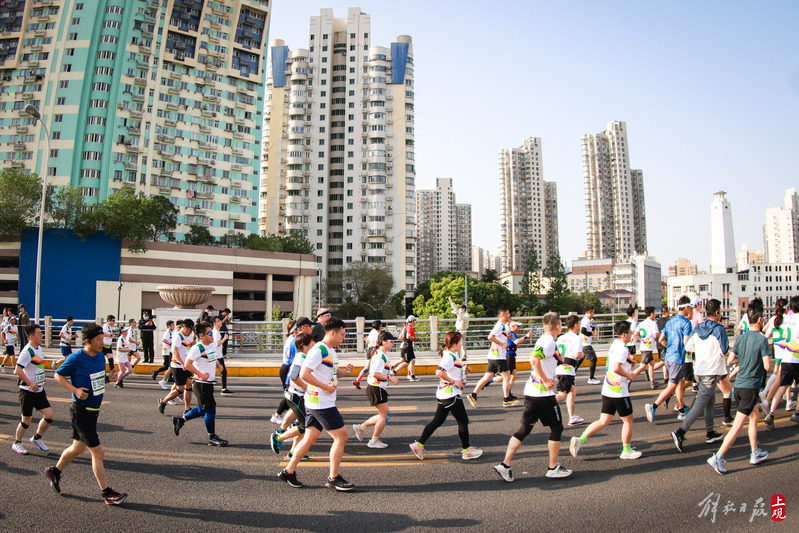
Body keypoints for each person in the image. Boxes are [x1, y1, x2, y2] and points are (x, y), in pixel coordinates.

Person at [46, 322, 127, 504]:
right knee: (97, 452)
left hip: (93, 411)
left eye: (103, 339)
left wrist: (108, 379)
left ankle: (55, 471)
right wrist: (74, 390)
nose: (102, 343)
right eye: (99, 340)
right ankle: (107, 493)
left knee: (78, 447)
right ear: (88, 341)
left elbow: (96, 381)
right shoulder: (76, 358)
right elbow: (57, 375)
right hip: (81, 411)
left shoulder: (99, 357)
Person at [278, 317, 355, 491]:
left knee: (309, 438)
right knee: (341, 437)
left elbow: (331, 375)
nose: (344, 338)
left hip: (316, 401)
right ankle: (333, 477)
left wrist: (345, 372)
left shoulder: (331, 351)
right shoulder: (319, 350)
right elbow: (304, 374)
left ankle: (288, 471)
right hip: (321, 402)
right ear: (333, 333)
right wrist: (326, 388)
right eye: (342, 334)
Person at [494, 312, 572, 482]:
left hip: (532, 392)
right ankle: (553, 468)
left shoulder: (545, 340)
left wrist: (559, 359)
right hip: (542, 394)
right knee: (557, 428)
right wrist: (546, 380)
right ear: (558, 326)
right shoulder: (549, 341)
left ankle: (505, 465)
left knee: (524, 429)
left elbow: (544, 358)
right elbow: (534, 359)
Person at [569, 320, 647, 461]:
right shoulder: (623, 348)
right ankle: (626, 450)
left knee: (604, 420)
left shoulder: (615, 345)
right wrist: (630, 375)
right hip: (619, 391)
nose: (631, 335)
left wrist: (630, 363)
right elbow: (616, 367)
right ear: (624, 334)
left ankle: (580, 440)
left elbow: (616, 363)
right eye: (630, 333)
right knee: (628, 420)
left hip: (608, 389)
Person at [707, 306, 771, 474]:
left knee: (755, 417)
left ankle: (755, 451)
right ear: (759, 320)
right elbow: (767, 365)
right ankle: (718, 457)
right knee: (737, 426)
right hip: (751, 387)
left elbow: (730, 360)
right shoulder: (762, 340)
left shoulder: (741, 339)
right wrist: (756, 361)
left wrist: (744, 362)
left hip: (740, 386)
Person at [409, 331, 482, 461]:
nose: (461, 344)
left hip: (445, 394)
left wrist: (465, 369)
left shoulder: (452, 354)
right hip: (451, 394)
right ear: (454, 344)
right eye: (460, 342)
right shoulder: (449, 356)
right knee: (463, 421)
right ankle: (467, 451)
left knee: (437, 421)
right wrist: (454, 382)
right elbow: (439, 372)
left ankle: (418, 445)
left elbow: (454, 368)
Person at [670, 299, 728, 452]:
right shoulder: (719, 329)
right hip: (712, 371)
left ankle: (710, 433)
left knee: (709, 401)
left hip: (700, 371)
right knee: (701, 403)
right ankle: (680, 432)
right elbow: (724, 351)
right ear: (717, 312)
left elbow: (689, 347)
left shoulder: (697, 328)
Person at [171, 321, 228, 446]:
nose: (212, 335)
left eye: (211, 333)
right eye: (209, 333)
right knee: (210, 409)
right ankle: (212, 438)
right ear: (201, 335)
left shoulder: (211, 345)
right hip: (201, 384)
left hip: (209, 383)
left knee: (203, 410)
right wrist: (201, 374)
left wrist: (218, 365)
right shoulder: (197, 348)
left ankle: (180, 420)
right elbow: (187, 364)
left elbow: (214, 358)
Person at [645, 296, 694, 423]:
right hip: (677, 358)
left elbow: (661, 339)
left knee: (681, 381)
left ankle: (681, 409)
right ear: (687, 308)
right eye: (691, 309)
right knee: (672, 386)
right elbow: (686, 342)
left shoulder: (670, 322)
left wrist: (671, 347)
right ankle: (653, 406)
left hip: (669, 357)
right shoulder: (686, 323)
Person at [270, 332, 315, 458]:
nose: (314, 344)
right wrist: (307, 388)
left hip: (301, 396)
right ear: (304, 346)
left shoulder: (306, 356)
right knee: (305, 425)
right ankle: (278, 438)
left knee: (300, 423)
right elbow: (293, 376)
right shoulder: (301, 358)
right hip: (296, 396)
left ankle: (294, 452)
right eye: (312, 342)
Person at [353, 331, 400, 448]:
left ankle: (361, 427)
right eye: (391, 341)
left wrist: (390, 373)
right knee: (384, 416)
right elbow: (374, 373)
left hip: (377, 388)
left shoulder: (381, 354)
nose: (393, 344)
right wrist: (390, 378)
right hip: (376, 387)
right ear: (384, 342)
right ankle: (373, 441)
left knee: (384, 415)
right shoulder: (379, 356)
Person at [12, 324, 53, 455]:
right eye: (39, 334)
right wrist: (30, 383)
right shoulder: (27, 352)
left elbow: (37, 367)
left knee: (49, 416)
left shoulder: (38, 348)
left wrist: (41, 379)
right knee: (26, 420)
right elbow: (18, 369)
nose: (41, 336)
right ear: (31, 337)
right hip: (27, 391)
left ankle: (37, 438)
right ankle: (17, 443)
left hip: (39, 389)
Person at [467, 309, 518, 407]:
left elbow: (500, 337)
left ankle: (473, 395)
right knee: (507, 377)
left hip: (493, 356)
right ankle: (506, 399)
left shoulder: (503, 326)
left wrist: (508, 338)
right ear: (503, 315)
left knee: (487, 377)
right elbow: (490, 337)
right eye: (508, 314)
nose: (510, 315)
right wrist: (502, 344)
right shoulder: (499, 325)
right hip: (498, 357)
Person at [764, 296, 799, 428]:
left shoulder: (787, 319)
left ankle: (771, 414)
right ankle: (797, 413)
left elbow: (784, 336)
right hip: (797, 357)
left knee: (783, 386)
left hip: (786, 358)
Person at [158, 319, 195, 414]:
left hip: (185, 365)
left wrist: (195, 337)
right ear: (185, 328)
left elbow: (191, 345)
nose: (191, 332)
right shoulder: (178, 336)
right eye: (190, 330)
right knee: (180, 389)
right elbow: (175, 350)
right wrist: (182, 363)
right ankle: (163, 402)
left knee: (189, 385)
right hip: (178, 366)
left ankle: (187, 409)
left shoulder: (185, 337)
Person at [556, 314, 585, 426]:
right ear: (576, 325)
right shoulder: (577, 338)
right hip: (567, 369)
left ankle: (572, 417)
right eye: (579, 324)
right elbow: (577, 354)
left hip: (560, 367)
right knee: (562, 395)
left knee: (572, 391)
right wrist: (582, 354)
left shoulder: (561, 337)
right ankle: (543, 405)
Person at [271, 320, 298, 424]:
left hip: (287, 367)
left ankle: (289, 417)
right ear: (294, 330)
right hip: (287, 368)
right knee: (290, 395)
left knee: (291, 395)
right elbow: (289, 355)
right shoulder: (292, 340)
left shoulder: (292, 339)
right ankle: (277, 415)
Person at [634, 307, 664, 390]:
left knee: (652, 364)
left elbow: (635, 333)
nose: (655, 315)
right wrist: (661, 334)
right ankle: (629, 378)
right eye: (654, 313)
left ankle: (653, 382)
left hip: (644, 346)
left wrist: (642, 340)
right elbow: (655, 335)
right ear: (651, 314)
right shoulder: (653, 323)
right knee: (642, 367)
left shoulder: (642, 323)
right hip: (648, 348)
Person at [506, 321, 532, 399]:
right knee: (506, 376)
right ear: (513, 326)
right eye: (518, 326)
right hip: (509, 355)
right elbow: (516, 342)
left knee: (513, 375)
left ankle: (509, 392)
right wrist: (526, 336)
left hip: (512, 355)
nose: (519, 328)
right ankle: (490, 381)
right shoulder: (512, 334)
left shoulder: (513, 334)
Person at [353, 320, 382, 389]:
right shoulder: (376, 333)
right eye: (381, 326)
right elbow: (376, 343)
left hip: (369, 349)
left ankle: (360, 380)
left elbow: (367, 340)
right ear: (378, 326)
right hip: (373, 350)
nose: (381, 327)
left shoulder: (372, 332)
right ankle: (358, 380)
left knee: (371, 367)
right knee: (369, 367)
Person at [392, 315, 420, 381]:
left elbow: (401, 337)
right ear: (412, 321)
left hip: (406, 345)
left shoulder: (406, 327)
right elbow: (408, 336)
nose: (415, 322)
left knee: (412, 360)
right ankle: (393, 372)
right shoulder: (410, 327)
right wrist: (415, 338)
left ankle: (412, 376)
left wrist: (406, 340)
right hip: (407, 346)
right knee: (406, 362)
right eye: (415, 320)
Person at [579, 306, 600, 384]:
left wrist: (592, 329)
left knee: (580, 360)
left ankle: (571, 375)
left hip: (584, 343)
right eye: (592, 312)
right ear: (589, 312)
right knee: (594, 359)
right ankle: (591, 378)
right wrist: (590, 334)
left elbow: (588, 328)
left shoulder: (587, 320)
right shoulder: (586, 320)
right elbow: (583, 330)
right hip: (586, 344)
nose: (593, 314)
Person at [212, 316, 232, 394]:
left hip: (217, 355)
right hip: (217, 356)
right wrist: (225, 338)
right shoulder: (216, 332)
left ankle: (223, 388)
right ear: (214, 324)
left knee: (218, 371)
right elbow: (217, 343)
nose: (220, 321)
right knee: (223, 372)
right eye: (218, 321)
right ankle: (223, 389)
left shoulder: (216, 332)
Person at [152, 320, 175, 385]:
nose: (174, 326)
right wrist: (170, 343)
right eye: (172, 325)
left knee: (169, 365)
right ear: (169, 326)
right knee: (166, 366)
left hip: (169, 351)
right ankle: (155, 372)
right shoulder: (167, 332)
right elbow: (164, 340)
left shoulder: (171, 332)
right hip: (166, 352)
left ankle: (170, 378)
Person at [114, 321, 133, 389]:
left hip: (125, 357)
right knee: (122, 371)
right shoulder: (120, 339)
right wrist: (127, 350)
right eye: (125, 331)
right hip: (121, 358)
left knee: (130, 370)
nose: (127, 331)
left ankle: (120, 378)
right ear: (122, 332)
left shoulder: (125, 338)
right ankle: (117, 382)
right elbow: (119, 348)